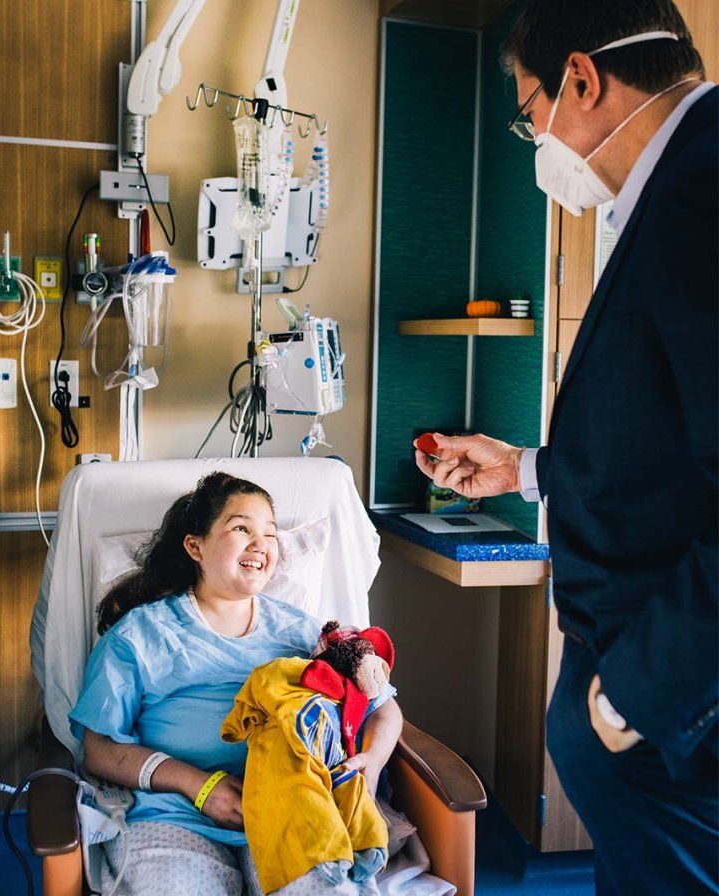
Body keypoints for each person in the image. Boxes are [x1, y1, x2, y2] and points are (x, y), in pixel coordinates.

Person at [415, 2, 717, 894]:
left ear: (584, 79)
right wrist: (525, 467)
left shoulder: (704, 196)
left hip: (669, 696)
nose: (535, 136)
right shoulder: (665, 192)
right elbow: (666, 438)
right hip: (636, 680)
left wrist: (632, 698)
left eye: (530, 110)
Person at [69, 472, 402, 896]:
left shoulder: (304, 634)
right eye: (241, 528)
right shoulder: (140, 636)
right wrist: (198, 786)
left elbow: (384, 707)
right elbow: (98, 749)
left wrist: (370, 763)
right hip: (174, 815)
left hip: (290, 807)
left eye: (270, 533)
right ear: (196, 546)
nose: (260, 543)